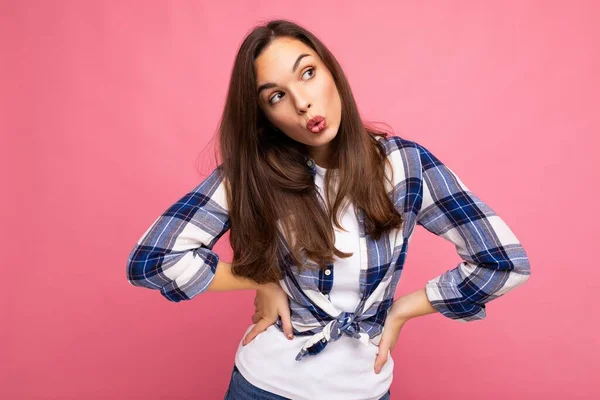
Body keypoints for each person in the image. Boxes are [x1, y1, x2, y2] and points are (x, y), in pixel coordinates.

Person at [125, 19, 531, 400]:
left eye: (307, 73)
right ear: (266, 116)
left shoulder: (405, 166)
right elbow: (152, 260)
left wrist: (403, 309)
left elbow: (502, 261)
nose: (302, 103)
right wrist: (259, 281)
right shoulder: (254, 174)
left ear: (331, 71)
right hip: (264, 386)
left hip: (363, 388)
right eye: (276, 96)